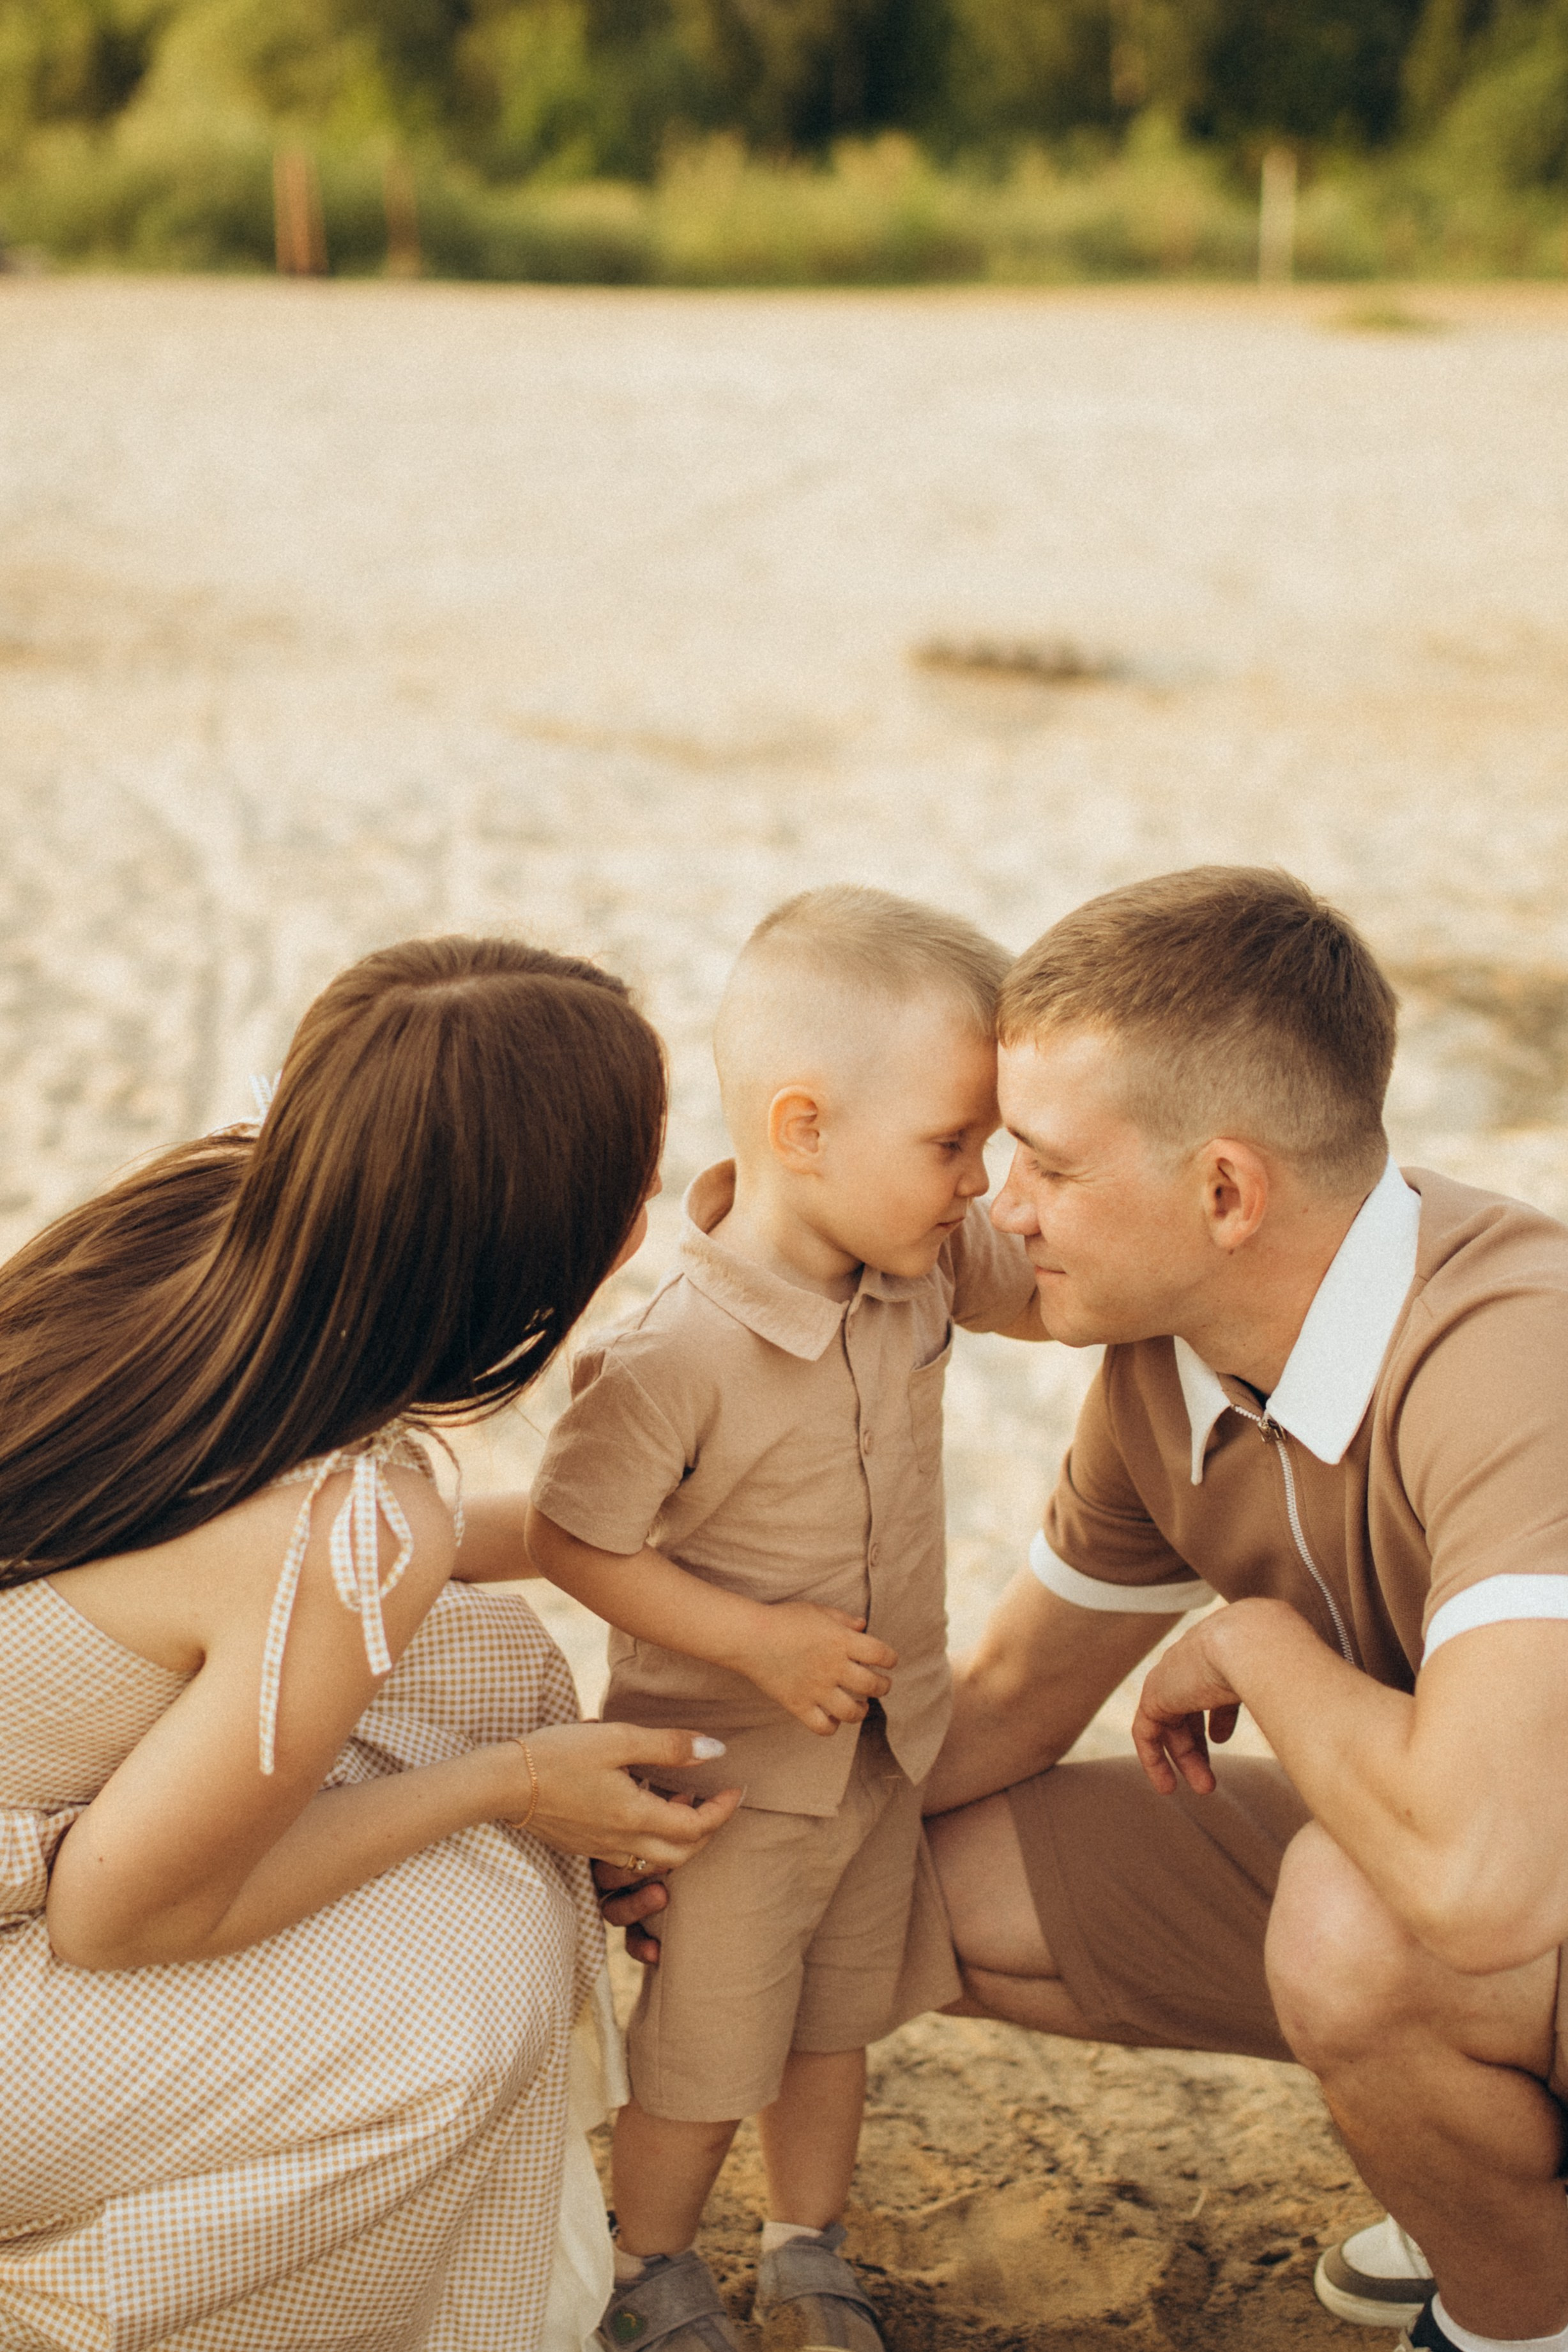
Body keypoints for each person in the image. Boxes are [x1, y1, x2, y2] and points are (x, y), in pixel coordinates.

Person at [0, 934, 742, 2352]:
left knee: (477, 1664)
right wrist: (518, 1786)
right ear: (567, 1244)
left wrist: (614, 1532)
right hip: (52, 1927)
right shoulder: (353, 1524)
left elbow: (211, 1551)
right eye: (635, 1185)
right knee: (468, 1988)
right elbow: (116, 1918)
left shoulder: (195, 1217)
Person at [909, 866, 1568, 2352]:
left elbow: (1482, 1883)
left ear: (1224, 1190)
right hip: (1483, 1869)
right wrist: (719, 1830)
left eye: (1047, 1164)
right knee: (896, 1879)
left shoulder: (1516, 1349)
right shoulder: (1165, 1358)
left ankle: (1520, 2319)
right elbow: (1004, 1700)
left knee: (1358, 1925)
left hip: (1505, 1876)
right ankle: (1474, 2179)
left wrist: (1252, 1642)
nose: (1003, 1205)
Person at [526, 887, 1046, 2352]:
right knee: (705, 2049)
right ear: (803, 1128)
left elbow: (1061, 1290)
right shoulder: (673, 1349)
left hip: (883, 1750)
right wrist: (753, 1640)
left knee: (834, 2024)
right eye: (952, 1142)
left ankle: (806, 2249)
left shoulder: (923, 1263)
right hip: (732, 1780)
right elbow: (573, 1534)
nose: (980, 1181)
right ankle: (649, 2269)